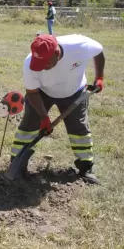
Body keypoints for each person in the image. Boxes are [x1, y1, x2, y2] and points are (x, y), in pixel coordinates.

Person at [10, 34, 105, 185]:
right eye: (38, 63)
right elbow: (33, 93)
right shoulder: (30, 63)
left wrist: (99, 77)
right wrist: (44, 117)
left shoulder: (80, 45)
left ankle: (85, 167)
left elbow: (98, 52)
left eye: (45, 63)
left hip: (75, 91)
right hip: (42, 92)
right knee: (29, 125)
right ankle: (17, 162)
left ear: (57, 53)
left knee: (78, 128)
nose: (41, 67)